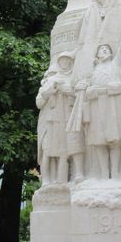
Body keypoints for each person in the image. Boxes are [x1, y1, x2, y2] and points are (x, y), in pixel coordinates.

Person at [77, 11, 121, 179]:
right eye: (100, 50)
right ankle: (103, 172)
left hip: (113, 104)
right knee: (98, 140)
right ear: (96, 55)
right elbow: (85, 89)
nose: (103, 51)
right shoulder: (92, 71)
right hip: (97, 105)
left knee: (114, 139)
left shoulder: (116, 65)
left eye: (105, 49)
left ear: (110, 53)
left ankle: (116, 171)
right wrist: (90, 91)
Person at [36, 52, 83, 184]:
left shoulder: (73, 78)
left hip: (68, 118)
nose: (64, 64)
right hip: (51, 121)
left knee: (65, 151)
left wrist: (68, 90)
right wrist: (51, 89)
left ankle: (64, 180)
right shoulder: (50, 82)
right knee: (47, 152)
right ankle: (47, 180)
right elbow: (39, 102)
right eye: (62, 61)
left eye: (67, 61)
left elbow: (78, 95)